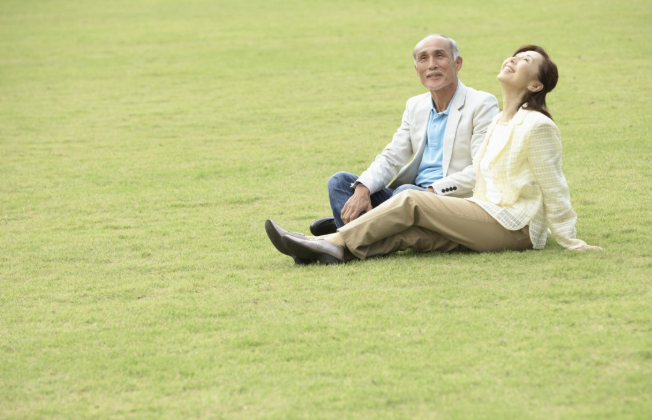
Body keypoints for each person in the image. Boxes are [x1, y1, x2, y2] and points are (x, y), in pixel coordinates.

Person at [266, 44, 601, 264]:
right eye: (514, 55)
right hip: (482, 212)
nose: (513, 59)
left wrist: (570, 239)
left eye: (526, 60)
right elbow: (394, 154)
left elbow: (554, 186)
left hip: (516, 226)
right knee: (410, 234)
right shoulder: (501, 120)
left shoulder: (536, 125)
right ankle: (328, 249)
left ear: (536, 86)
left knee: (412, 200)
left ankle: (332, 236)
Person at [308, 34, 499, 238]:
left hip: (448, 201)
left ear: (457, 63)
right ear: (417, 69)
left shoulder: (482, 103)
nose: (432, 65)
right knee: (340, 182)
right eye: (423, 58)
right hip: (407, 198)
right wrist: (363, 189)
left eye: (440, 56)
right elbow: (392, 157)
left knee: (407, 193)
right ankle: (362, 232)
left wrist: (431, 191)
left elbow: (480, 169)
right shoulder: (415, 105)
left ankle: (340, 237)